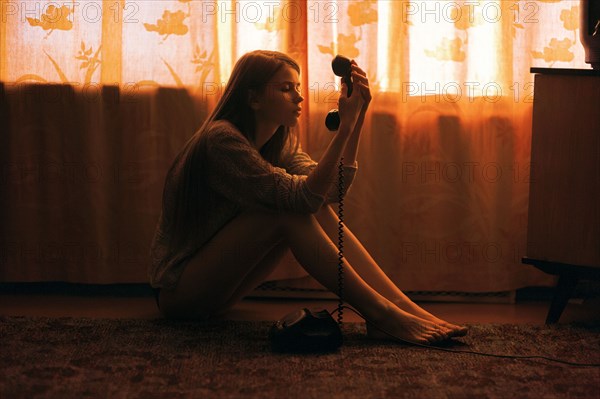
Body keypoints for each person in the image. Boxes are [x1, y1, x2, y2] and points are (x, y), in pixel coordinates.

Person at [149, 50, 468, 345]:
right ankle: (382, 314)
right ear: (253, 98)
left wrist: (354, 123)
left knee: (308, 208)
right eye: (286, 88)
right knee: (288, 211)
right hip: (181, 293)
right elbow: (304, 199)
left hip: (220, 292)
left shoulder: (279, 141)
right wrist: (342, 130)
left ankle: (400, 307)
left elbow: (329, 193)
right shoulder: (222, 141)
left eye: (297, 86)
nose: (299, 96)